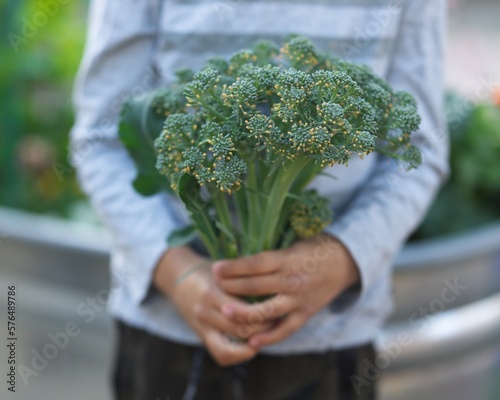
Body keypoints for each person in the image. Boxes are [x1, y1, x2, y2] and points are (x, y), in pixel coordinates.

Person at [70, 0, 448, 399]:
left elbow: (420, 153)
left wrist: (341, 257)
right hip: (168, 328)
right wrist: (177, 273)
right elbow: (100, 142)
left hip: (330, 339)